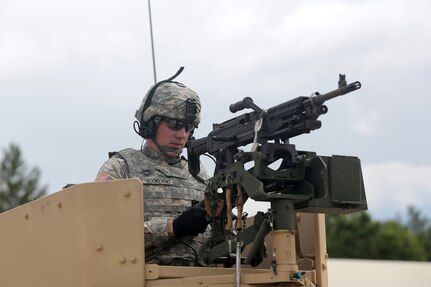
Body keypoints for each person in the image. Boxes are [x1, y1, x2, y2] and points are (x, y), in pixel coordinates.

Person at [95, 68, 211, 266]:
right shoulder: (122, 168)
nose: (182, 135)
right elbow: (102, 235)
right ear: (151, 123)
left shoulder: (198, 174)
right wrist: (172, 228)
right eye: (175, 124)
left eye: (188, 127)